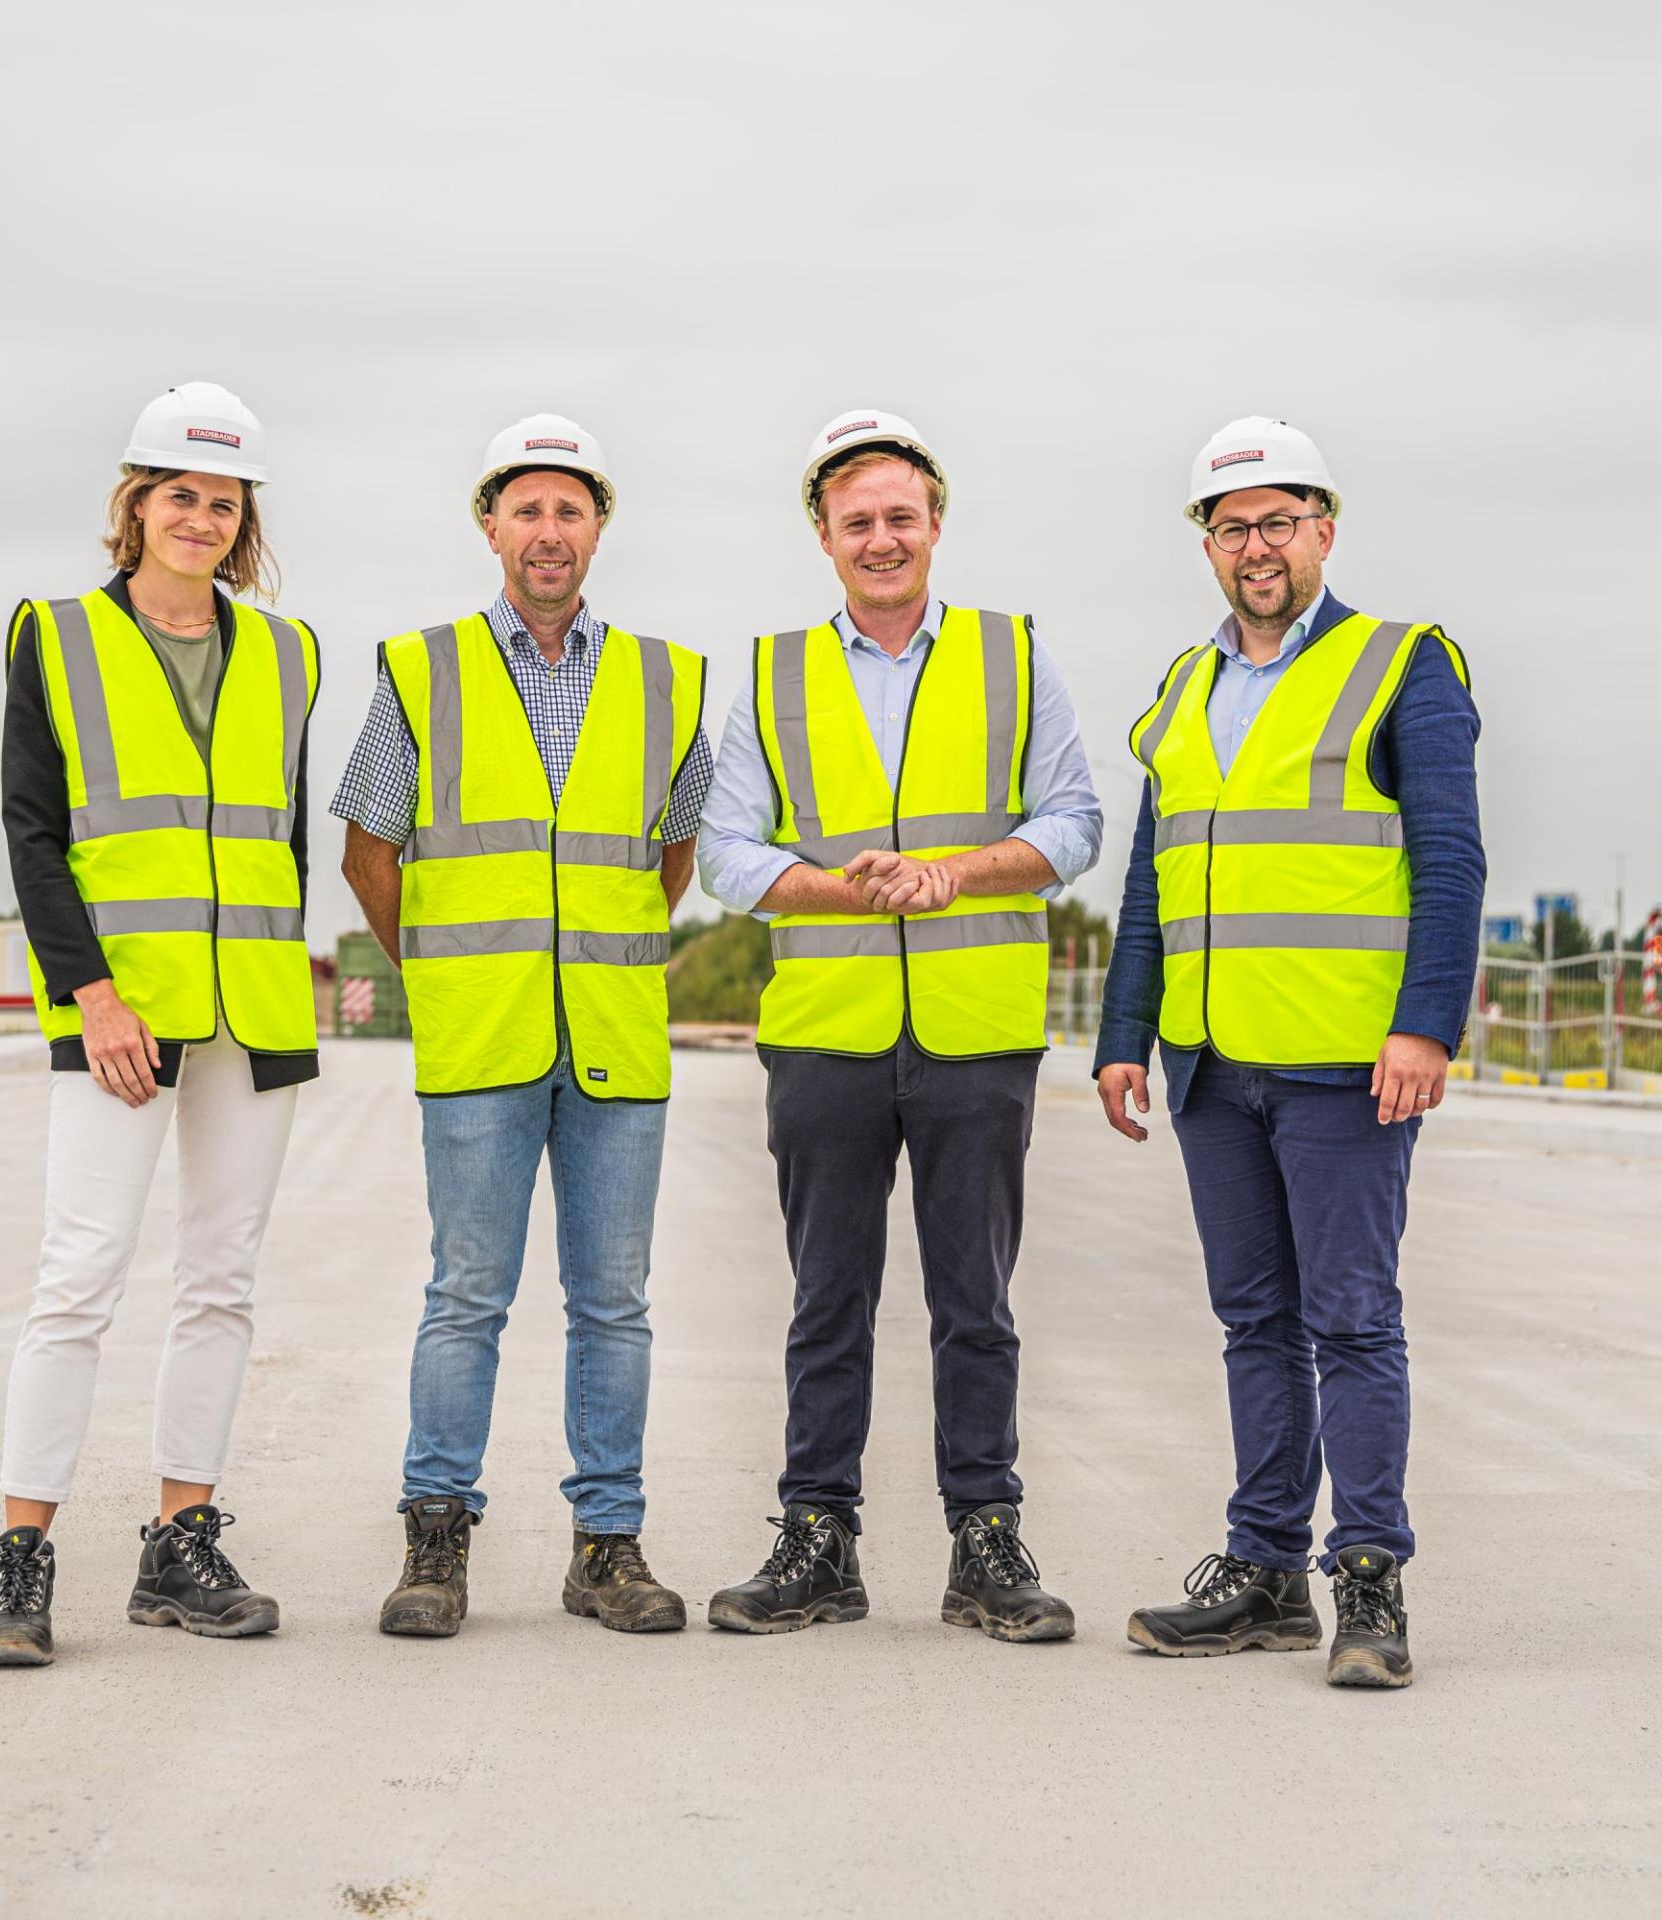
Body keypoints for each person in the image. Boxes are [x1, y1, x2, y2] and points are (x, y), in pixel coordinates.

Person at [697, 411, 1103, 1640]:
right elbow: (725, 851)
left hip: (976, 1032)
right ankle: (817, 1539)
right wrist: (848, 890)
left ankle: (986, 1542)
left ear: (936, 524)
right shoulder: (772, 672)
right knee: (829, 1302)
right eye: (856, 521)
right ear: (823, 536)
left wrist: (953, 876)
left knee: (975, 1304)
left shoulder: (1013, 655)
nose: (881, 539)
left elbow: (1076, 823)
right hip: (826, 1030)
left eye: (900, 518)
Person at [1095, 417, 1484, 1689]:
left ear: (1323, 529)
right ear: (1205, 544)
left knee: (1353, 1322)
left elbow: (1450, 860)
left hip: (1343, 1062)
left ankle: (1367, 1579)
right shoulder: (1186, 687)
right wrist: (1122, 1037)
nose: (1254, 546)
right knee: (1253, 1323)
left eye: (1277, 521)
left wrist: (1426, 1023)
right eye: (1230, 525)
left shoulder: (1402, 665)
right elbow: (1152, 885)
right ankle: (1264, 1570)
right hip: (1211, 1064)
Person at [336, 414, 713, 1638]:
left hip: (614, 1033)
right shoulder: (421, 669)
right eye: (526, 511)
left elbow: (672, 854)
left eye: (570, 511)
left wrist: (589, 954)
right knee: (467, 1296)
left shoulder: (668, 680)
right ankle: (435, 1543)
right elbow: (367, 849)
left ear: (599, 528)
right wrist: (444, 970)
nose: (548, 534)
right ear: (489, 527)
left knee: (614, 1303)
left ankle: (608, 1546)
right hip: (481, 1037)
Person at [0, 383, 320, 1667]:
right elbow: (33, 829)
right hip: (120, 1013)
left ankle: (181, 1539)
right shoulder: (56, 635)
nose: (201, 517)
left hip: (252, 1014)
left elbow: (279, 839)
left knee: (221, 1283)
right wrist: (93, 995)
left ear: (245, 520)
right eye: (179, 493)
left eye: (223, 501)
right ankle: (22, 1558)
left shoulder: (291, 652)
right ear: (136, 505)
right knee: (78, 1278)